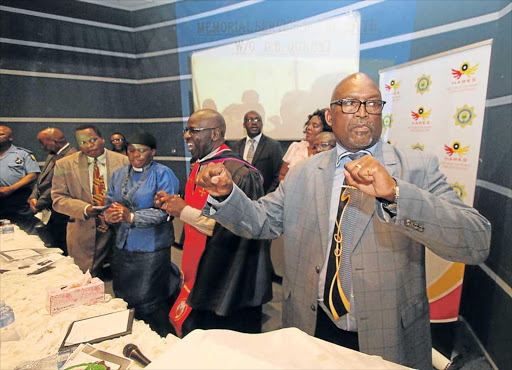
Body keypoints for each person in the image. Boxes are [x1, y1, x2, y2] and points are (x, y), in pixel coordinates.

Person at [195, 73, 491, 370]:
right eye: (350, 103)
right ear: (330, 115)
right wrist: (226, 195)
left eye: (373, 104)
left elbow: (477, 242)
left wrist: (397, 196)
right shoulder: (303, 173)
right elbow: (261, 221)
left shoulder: (416, 168)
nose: (363, 112)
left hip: (388, 337)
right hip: (312, 327)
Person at [154, 109, 272, 338]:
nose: (186, 136)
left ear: (216, 134)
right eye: (186, 130)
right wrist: (173, 204)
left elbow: (239, 228)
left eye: (193, 131)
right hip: (200, 264)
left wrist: (184, 211)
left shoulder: (239, 173)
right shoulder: (200, 165)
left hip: (227, 277)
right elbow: (200, 212)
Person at [104, 131, 181, 337]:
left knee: (148, 299)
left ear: (153, 152)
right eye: (131, 150)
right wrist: (109, 215)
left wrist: (131, 217)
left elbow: (167, 212)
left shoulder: (163, 174)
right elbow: (108, 204)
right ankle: (135, 338)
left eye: (142, 150)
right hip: (122, 245)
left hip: (152, 247)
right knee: (123, 296)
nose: (136, 154)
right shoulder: (118, 174)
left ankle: (162, 339)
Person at [52, 125, 129, 277]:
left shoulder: (124, 161)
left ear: (102, 139)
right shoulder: (64, 164)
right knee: (85, 277)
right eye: (83, 142)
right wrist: (85, 209)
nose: (89, 145)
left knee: (125, 275)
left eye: (93, 140)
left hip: (120, 228)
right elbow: (58, 198)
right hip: (84, 228)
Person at [28, 128, 77, 252]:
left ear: (53, 141)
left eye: (42, 142)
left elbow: (57, 186)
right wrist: (33, 196)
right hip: (47, 208)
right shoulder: (52, 154)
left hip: (60, 212)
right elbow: (42, 179)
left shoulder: (71, 156)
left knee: (61, 246)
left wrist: (39, 203)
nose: (41, 146)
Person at [0, 125, 41, 234]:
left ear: (10, 138)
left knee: (26, 231)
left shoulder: (22, 154)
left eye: (1, 134)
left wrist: (11, 188)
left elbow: (33, 174)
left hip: (18, 198)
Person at [232, 111, 283, 194]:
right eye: (249, 120)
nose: (254, 123)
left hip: (265, 196)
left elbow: (278, 175)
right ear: (244, 125)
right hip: (240, 196)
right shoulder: (237, 146)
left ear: (262, 124)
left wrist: (268, 196)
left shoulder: (273, 146)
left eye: (257, 120)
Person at [279, 108, 331, 180]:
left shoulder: (329, 150)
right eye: (308, 124)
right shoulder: (295, 147)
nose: (309, 128)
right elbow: (282, 174)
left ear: (325, 129)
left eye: (315, 125)